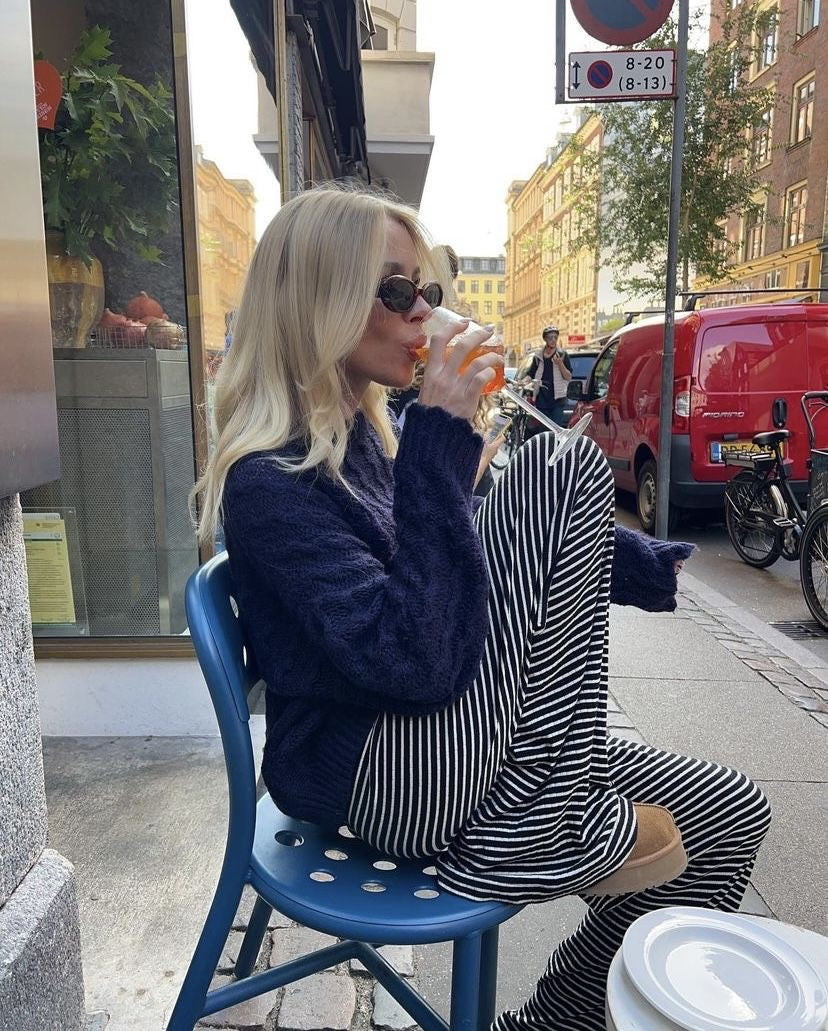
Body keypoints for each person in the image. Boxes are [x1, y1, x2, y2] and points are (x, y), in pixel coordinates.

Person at [192, 184, 770, 1030]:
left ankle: (553, 1019)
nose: (423, 311)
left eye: (427, 290)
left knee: (730, 811)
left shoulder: (370, 444)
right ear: (318, 301)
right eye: (396, 290)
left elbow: (483, 565)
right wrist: (438, 446)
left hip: (455, 742)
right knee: (564, 464)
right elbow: (415, 660)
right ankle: (541, 827)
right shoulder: (269, 480)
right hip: (378, 770)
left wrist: (626, 561)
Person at [521, 325, 573, 428]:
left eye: (555, 337)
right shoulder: (538, 356)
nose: (553, 340)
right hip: (542, 400)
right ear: (545, 339)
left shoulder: (562, 354)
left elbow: (568, 377)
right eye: (550, 338)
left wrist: (560, 364)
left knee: (555, 430)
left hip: (558, 400)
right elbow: (531, 374)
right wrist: (523, 382)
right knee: (543, 431)